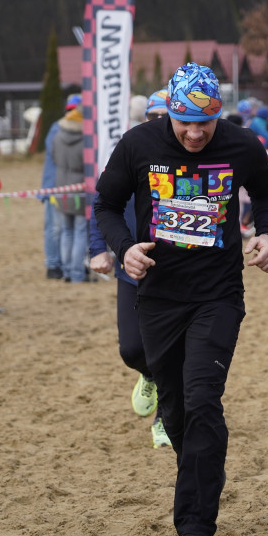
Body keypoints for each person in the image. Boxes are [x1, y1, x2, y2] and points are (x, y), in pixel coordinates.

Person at [94, 62, 268, 536]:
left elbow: (266, 192)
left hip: (218, 296)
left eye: (206, 123)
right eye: (185, 123)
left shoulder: (242, 145)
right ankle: (197, 469)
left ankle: (195, 528)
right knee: (175, 410)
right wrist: (124, 247)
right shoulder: (138, 145)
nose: (196, 134)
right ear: (169, 113)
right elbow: (106, 206)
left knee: (203, 400)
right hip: (158, 297)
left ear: (220, 115)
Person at [89, 87, 172, 449]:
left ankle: (165, 421)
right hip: (131, 266)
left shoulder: (192, 157)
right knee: (132, 350)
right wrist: (99, 249)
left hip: (176, 272)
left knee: (174, 352)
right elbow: (104, 200)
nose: (159, 125)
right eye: (152, 117)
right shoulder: (131, 149)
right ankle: (147, 374)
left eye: (166, 117)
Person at [41, 95, 80, 280]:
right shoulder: (58, 128)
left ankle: (63, 267)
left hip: (61, 185)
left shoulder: (61, 128)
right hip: (54, 185)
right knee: (55, 228)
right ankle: (53, 264)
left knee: (64, 229)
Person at [52, 104, 89, 283]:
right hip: (79, 190)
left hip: (61, 187)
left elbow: (53, 158)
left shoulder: (57, 136)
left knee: (66, 231)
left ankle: (67, 271)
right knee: (80, 231)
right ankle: (76, 273)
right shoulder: (85, 140)